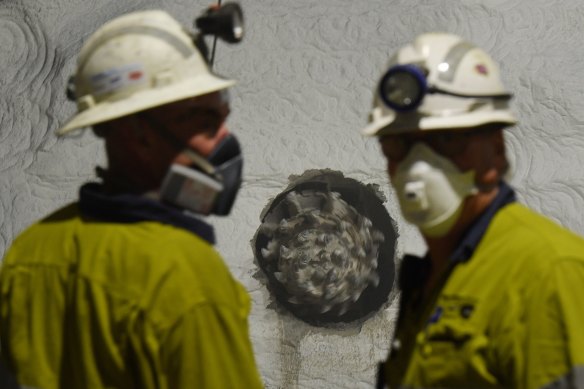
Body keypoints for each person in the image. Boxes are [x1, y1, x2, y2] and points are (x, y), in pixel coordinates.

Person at [0, 9, 263, 389]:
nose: (223, 141)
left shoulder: (32, 251)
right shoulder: (189, 281)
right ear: (137, 133)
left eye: (220, 118)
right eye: (204, 122)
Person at [363, 32, 584, 389]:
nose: (418, 164)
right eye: (398, 144)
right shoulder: (437, 276)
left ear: (496, 151)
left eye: (446, 140)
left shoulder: (549, 273)